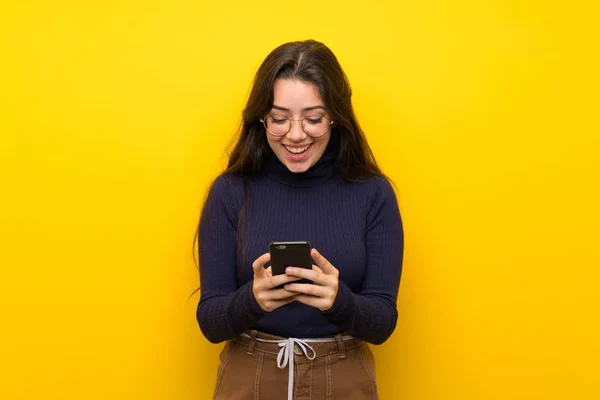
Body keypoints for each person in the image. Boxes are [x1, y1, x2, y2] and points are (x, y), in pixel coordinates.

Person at [196, 39, 403, 400]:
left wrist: (339, 299)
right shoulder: (229, 192)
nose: (295, 134)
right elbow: (210, 322)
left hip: (343, 377)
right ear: (261, 119)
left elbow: (383, 322)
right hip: (250, 376)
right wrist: (253, 298)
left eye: (313, 118)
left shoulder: (373, 194)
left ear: (335, 117)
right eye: (278, 119)